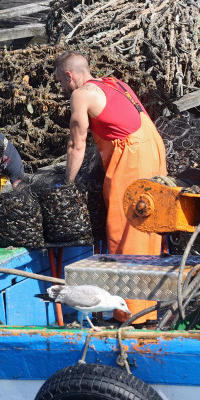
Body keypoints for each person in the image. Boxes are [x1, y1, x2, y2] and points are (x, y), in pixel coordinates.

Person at [54, 51, 167, 322]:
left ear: (70, 76)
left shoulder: (81, 94)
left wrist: (67, 184)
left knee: (126, 230)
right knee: (150, 229)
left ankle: (132, 315)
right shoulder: (116, 83)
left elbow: (76, 144)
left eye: (60, 81)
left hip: (132, 158)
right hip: (154, 150)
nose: (61, 88)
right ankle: (150, 308)